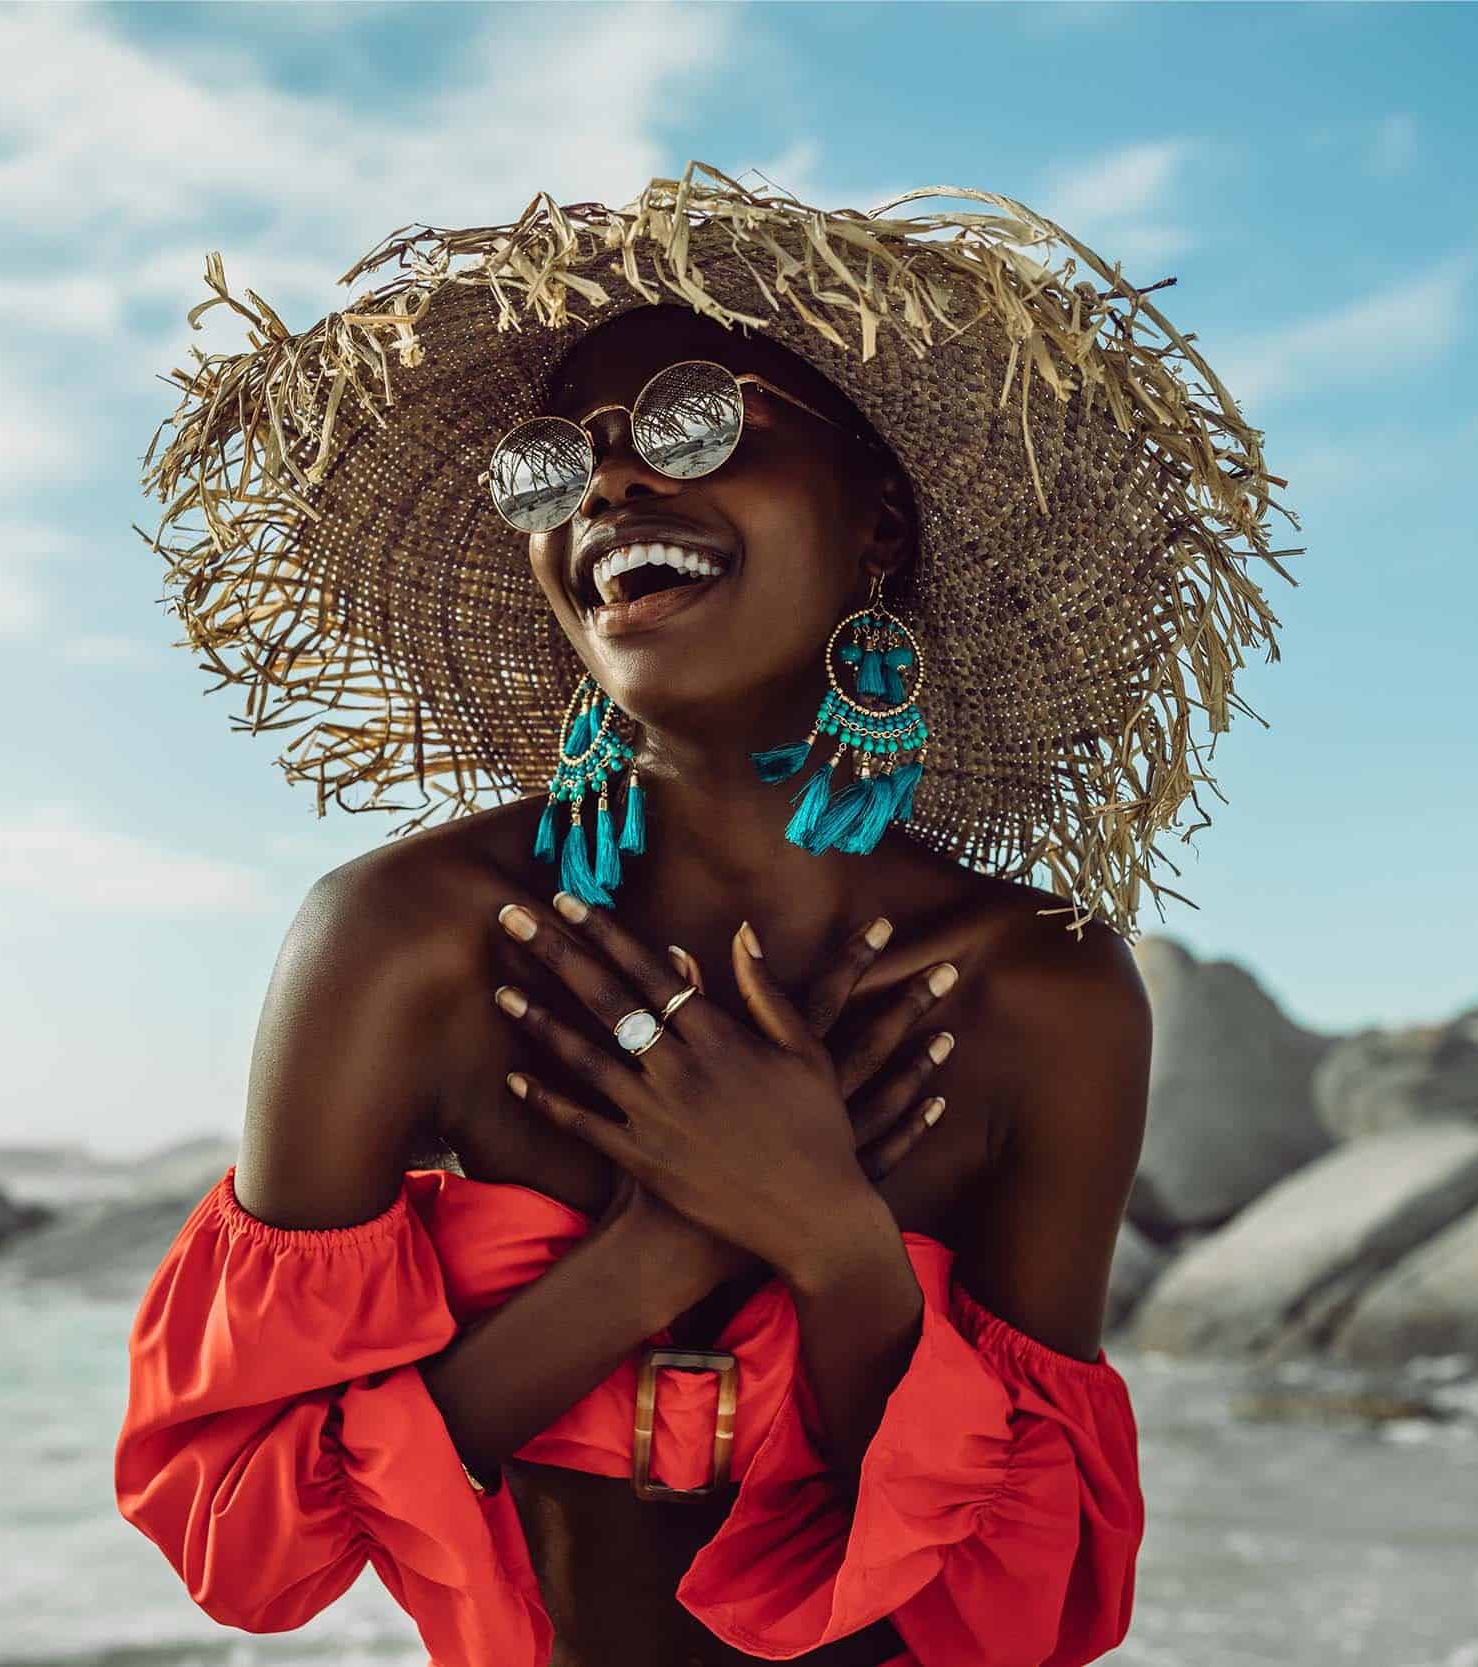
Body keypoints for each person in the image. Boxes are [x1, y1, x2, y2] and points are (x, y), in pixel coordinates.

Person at [112, 164, 1298, 1667]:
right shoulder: (406, 940)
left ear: (875, 520)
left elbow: (1027, 1604)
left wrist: (837, 1249)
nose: (607, 487)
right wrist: (654, 1254)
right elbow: (245, 1536)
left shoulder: (1039, 990)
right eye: (551, 467)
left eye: (695, 423)